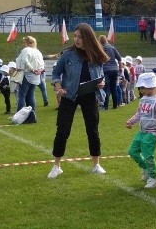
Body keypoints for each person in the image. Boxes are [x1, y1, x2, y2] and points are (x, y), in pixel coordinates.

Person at [47, 23, 110, 178]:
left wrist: (101, 83)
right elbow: (56, 73)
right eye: (75, 36)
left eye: (80, 37)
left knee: (92, 130)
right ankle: (56, 166)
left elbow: (100, 75)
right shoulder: (67, 54)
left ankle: (96, 164)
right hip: (69, 95)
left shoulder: (96, 54)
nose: (76, 39)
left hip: (89, 95)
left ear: (88, 38)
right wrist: (58, 87)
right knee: (62, 130)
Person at [125, 72, 156, 189]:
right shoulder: (143, 99)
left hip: (152, 133)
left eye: (143, 88)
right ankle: (146, 169)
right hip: (142, 131)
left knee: (148, 155)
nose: (141, 90)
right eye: (140, 88)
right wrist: (131, 121)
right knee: (132, 151)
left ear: (152, 86)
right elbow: (139, 113)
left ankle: (154, 178)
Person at [15, 35, 45, 124]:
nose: (23, 44)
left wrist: (32, 69)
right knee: (31, 95)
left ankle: (19, 117)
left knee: (22, 95)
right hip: (35, 76)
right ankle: (32, 115)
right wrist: (39, 70)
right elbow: (42, 63)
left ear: (28, 42)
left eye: (24, 42)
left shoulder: (26, 50)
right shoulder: (38, 51)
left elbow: (25, 61)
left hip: (27, 74)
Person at [98, 34, 123, 110]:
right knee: (114, 88)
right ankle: (115, 105)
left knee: (106, 88)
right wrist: (120, 67)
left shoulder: (100, 48)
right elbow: (119, 58)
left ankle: (105, 106)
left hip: (106, 70)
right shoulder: (112, 48)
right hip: (115, 69)